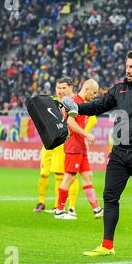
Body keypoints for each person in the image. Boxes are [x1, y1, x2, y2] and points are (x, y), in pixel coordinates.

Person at [62, 50, 132, 258]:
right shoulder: (118, 89)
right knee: (110, 197)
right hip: (119, 153)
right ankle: (107, 245)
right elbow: (98, 106)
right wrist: (76, 107)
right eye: (127, 66)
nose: (128, 70)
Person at [54, 78, 103, 220]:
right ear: (86, 89)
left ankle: (96, 209)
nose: (94, 95)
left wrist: (84, 139)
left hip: (80, 145)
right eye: (93, 92)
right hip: (73, 145)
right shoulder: (73, 101)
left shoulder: (82, 103)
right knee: (69, 177)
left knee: (88, 176)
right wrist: (86, 134)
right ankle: (59, 210)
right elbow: (70, 122)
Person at [34, 80, 80, 214]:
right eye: (58, 88)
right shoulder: (50, 102)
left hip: (62, 145)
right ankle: (41, 202)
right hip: (48, 144)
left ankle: (60, 206)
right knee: (43, 174)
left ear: (69, 88)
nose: (60, 90)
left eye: (63, 88)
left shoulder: (73, 102)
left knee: (60, 175)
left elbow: (91, 119)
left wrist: (75, 134)